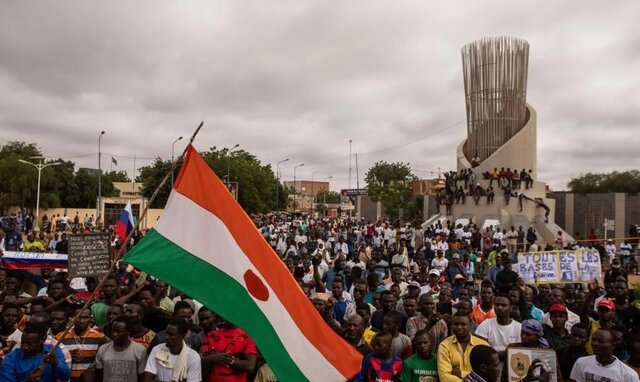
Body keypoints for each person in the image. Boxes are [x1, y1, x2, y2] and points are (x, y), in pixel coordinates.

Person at [0, 323, 71, 382]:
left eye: (30, 343)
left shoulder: (53, 351)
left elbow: (65, 377)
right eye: (23, 342)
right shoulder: (11, 358)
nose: (25, 346)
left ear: (43, 339)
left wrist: (56, 363)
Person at [200, 316, 258, 382]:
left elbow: (250, 366)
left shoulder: (246, 336)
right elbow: (201, 360)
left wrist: (221, 358)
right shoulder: (211, 335)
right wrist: (213, 358)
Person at [55, 307, 107, 381]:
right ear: (73, 317)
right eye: (79, 317)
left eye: (85, 317)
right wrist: (67, 355)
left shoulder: (99, 337)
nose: (82, 321)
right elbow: (55, 360)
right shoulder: (60, 337)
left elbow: (101, 361)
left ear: (90, 318)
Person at [570, 328, 639, 382]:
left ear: (613, 345)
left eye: (601, 341)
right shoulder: (581, 363)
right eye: (593, 340)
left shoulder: (628, 374)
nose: (595, 343)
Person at [437, 312, 489, 382]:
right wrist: (471, 379)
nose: (459, 327)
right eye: (456, 324)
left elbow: (487, 375)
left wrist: (461, 373)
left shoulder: (483, 345)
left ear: (470, 325)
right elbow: (444, 377)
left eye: (463, 324)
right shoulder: (444, 346)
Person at [94, 316, 148, 382]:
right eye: (113, 330)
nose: (114, 334)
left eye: (119, 331)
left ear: (128, 331)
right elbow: (100, 374)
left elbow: (141, 376)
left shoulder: (140, 350)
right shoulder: (102, 349)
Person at [474, 294, 521, 361]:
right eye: (497, 304)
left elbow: (518, 352)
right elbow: (483, 351)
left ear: (511, 308)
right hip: (490, 364)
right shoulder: (486, 324)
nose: (499, 307)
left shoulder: (519, 327)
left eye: (503, 305)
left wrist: (493, 353)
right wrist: (506, 353)